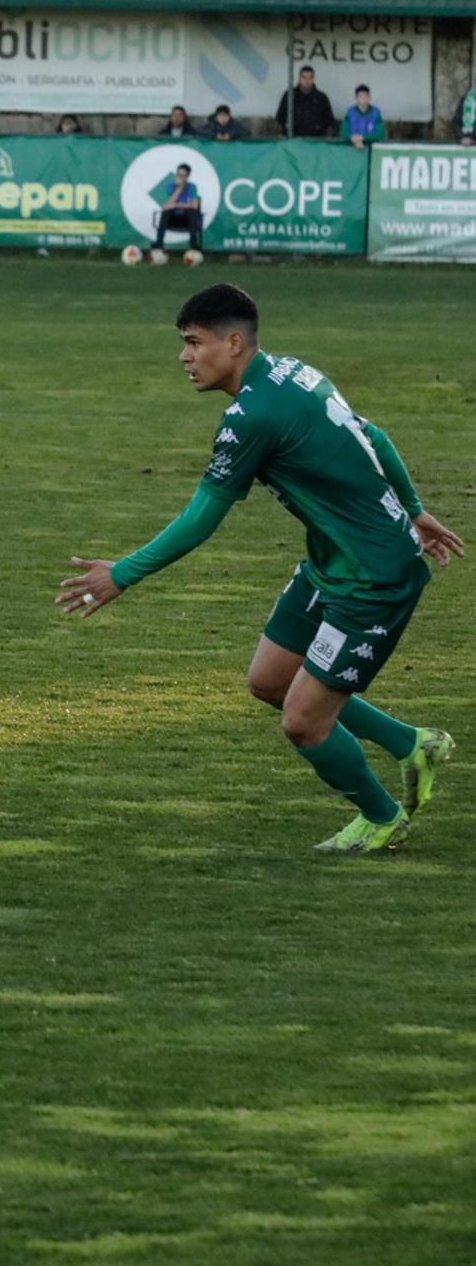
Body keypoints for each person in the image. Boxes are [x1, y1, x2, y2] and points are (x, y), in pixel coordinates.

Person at [57, 282, 463, 857]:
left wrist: (121, 573)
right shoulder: (294, 371)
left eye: (194, 343)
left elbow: (201, 519)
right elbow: (374, 435)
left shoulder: (251, 417)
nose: (185, 356)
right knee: (269, 682)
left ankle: (382, 817)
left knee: (303, 721)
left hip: (374, 577)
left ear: (233, 342)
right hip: (331, 561)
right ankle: (412, 744)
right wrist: (414, 509)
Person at [155, 161, 203, 251]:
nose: (179, 177)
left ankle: (194, 244)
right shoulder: (169, 186)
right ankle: (159, 244)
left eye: (182, 175)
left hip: (187, 220)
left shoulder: (192, 187)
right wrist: (179, 188)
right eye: (178, 174)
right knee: (166, 212)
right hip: (172, 219)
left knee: (192, 212)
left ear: (188, 176)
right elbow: (166, 206)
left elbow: (195, 206)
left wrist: (176, 205)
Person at [276, 65, 334, 138]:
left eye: (310, 77)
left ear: (313, 79)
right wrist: (284, 127)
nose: (307, 80)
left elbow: (329, 120)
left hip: (315, 141)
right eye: (304, 77)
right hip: (292, 139)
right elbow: (280, 117)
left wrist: (318, 126)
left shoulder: (321, 97)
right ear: (299, 78)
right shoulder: (289, 95)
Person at [339, 84, 385, 149]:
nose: (363, 99)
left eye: (365, 96)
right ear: (356, 98)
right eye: (360, 96)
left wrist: (362, 138)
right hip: (351, 147)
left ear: (369, 98)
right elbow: (343, 133)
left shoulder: (376, 112)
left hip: (371, 148)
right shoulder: (350, 112)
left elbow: (380, 134)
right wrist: (353, 138)